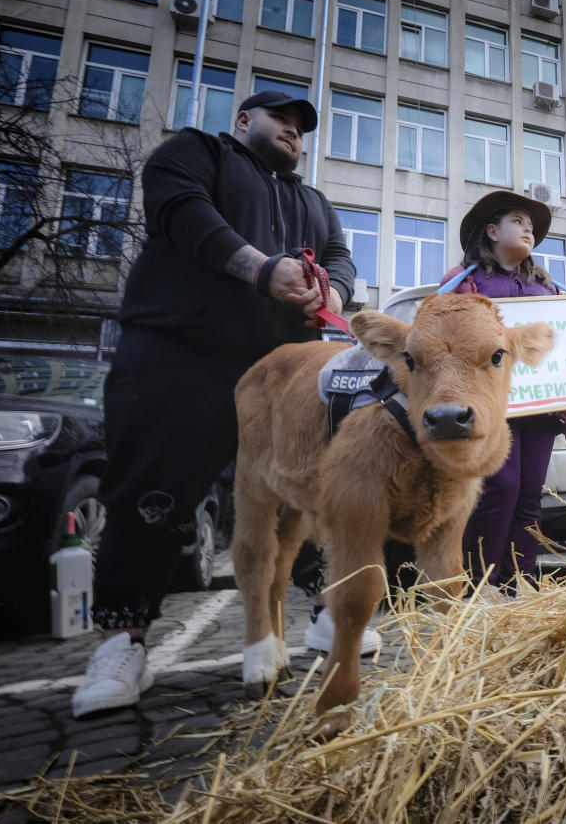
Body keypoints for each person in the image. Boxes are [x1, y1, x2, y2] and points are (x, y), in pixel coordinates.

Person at [72, 91, 364, 719]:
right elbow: (183, 211)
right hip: (182, 353)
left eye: (300, 127)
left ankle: (322, 610)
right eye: (279, 119)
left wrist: (332, 291)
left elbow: (340, 258)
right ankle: (124, 640)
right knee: (152, 489)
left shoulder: (312, 201)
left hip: (281, 370)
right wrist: (261, 269)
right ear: (242, 121)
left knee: (303, 490)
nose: (292, 131)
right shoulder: (194, 151)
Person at [440, 190, 566, 592]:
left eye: (532, 225)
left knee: (528, 496)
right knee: (497, 490)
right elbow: (447, 341)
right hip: (492, 410)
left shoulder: (549, 290)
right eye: (518, 221)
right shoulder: (464, 283)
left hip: (540, 410)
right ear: (491, 231)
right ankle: (478, 583)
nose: (528, 229)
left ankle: (519, 584)